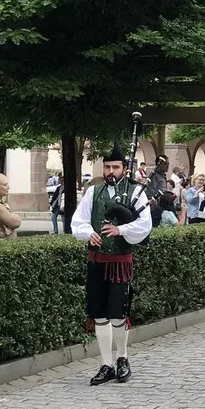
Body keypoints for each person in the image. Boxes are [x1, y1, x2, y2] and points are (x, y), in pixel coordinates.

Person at [71, 141, 152, 386]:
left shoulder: (136, 193)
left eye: (114, 167)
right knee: (99, 315)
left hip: (120, 262)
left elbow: (145, 225)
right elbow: (79, 221)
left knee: (118, 314)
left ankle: (123, 359)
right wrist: (88, 233)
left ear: (123, 169)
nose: (110, 172)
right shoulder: (93, 193)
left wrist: (121, 229)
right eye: (106, 167)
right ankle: (106, 364)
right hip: (96, 260)